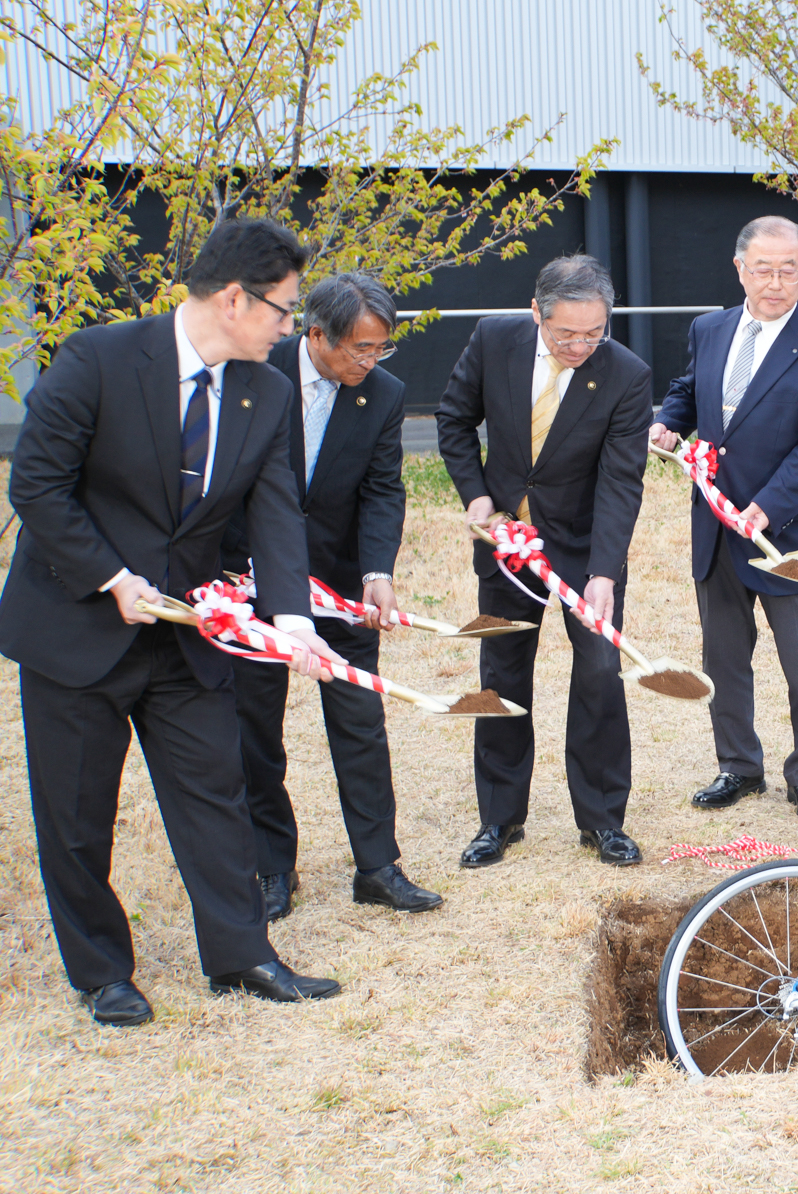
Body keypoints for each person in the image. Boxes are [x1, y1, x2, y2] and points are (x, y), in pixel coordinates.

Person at [0, 219, 346, 1025]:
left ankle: (242, 954)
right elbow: (38, 484)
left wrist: (293, 618)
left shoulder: (268, 391)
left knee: (216, 792)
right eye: (283, 309)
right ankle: (102, 972)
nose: (289, 327)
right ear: (234, 299)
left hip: (186, 634)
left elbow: (275, 510)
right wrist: (111, 576)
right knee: (77, 812)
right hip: (78, 629)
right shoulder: (97, 358)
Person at [222, 273, 440, 920]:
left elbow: (382, 488)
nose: (370, 361)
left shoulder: (383, 393)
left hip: (340, 585)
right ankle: (272, 866)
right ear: (316, 334)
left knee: (359, 722)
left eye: (381, 348)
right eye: (359, 348)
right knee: (254, 727)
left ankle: (377, 866)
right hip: (252, 579)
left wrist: (376, 570)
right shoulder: (255, 375)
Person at [435, 255, 653, 867]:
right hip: (506, 540)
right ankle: (499, 818)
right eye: (566, 334)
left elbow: (621, 482)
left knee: (600, 672)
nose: (580, 346)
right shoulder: (493, 340)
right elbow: (454, 420)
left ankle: (603, 819)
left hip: (585, 545)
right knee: (501, 673)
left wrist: (604, 572)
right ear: (537, 313)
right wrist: (477, 495)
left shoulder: (627, 375)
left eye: (594, 333)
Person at [649, 216, 798, 822]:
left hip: (787, 536)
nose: (775, 282)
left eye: (788, 270)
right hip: (717, 528)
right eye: (763, 269)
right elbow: (689, 389)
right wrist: (668, 422)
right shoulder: (709, 329)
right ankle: (738, 766)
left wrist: (770, 505)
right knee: (724, 658)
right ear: (740, 268)